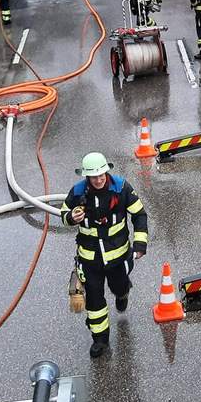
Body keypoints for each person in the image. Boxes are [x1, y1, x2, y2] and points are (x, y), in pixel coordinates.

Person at [61, 152, 149, 359]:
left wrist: (140, 243)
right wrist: (72, 217)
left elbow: (139, 215)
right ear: (87, 177)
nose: (98, 180)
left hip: (118, 257)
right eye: (94, 177)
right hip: (90, 260)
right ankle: (100, 339)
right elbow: (64, 216)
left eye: (101, 175)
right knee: (95, 300)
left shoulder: (121, 188)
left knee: (118, 285)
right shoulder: (77, 192)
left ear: (106, 172)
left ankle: (123, 293)